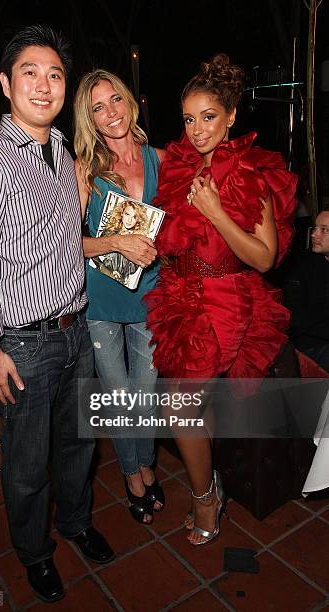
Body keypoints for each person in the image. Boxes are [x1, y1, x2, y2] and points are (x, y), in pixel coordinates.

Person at [0, 25, 113, 603]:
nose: (43, 86)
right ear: (5, 83)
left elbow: (69, 242)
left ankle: (74, 523)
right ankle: (35, 553)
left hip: (76, 331)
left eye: (54, 74)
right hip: (21, 344)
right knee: (26, 466)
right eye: (30, 72)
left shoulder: (64, 151)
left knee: (78, 446)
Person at [145, 54, 297, 544]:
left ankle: (206, 496)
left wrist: (214, 210)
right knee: (195, 405)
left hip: (224, 303)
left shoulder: (251, 170)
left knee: (176, 406)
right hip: (183, 298)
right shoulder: (184, 166)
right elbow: (180, 238)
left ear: (231, 116)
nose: (197, 130)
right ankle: (210, 486)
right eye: (189, 119)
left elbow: (265, 257)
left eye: (208, 117)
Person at [74, 69, 166, 524]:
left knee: (144, 397)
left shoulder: (160, 160)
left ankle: (147, 462)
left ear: (129, 101)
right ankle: (133, 473)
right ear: (89, 119)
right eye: (98, 107)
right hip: (103, 303)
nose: (111, 113)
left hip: (150, 298)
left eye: (115, 100)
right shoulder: (84, 170)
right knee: (119, 397)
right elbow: (67, 243)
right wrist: (114, 242)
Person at [283, 210, 329, 372]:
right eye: (315, 228)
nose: (314, 235)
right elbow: (297, 318)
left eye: (324, 230)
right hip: (311, 345)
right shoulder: (300, 265)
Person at [95, 201, 150, 283]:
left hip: (122, 281)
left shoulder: (138, 241)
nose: (129, 220)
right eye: (127, 214)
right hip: (100, 276)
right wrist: (110, 271)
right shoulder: (109, 232)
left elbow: (134, 268)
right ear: (122, 214)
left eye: (134, 217)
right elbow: (96, 255)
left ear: (138, 220)